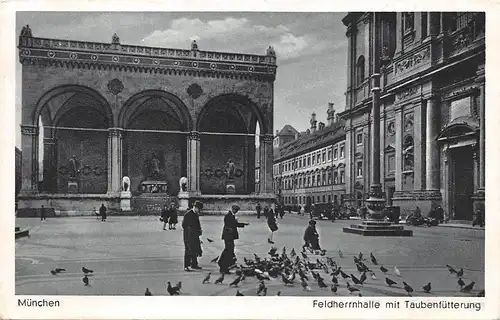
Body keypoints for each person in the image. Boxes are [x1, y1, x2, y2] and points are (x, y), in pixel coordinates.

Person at [219, 205, 248, 274]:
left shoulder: (231, 216)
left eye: (237, 211)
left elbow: (235, 224)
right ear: (232, 209)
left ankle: (225, 266)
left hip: (229, 236)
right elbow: (231, 225)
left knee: (229, 250)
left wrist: (243, 224)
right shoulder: (228, 216)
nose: (236, 211)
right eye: (235, 210)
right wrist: (236, 223)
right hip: (228, 236)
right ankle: (223, 265)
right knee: (229, 250)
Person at [182, 200, 203, 271]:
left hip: (195, 235)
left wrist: (199, 231)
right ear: (195, 207)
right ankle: (186, 266)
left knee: (195, 249)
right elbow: (184, 225)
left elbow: (197, 224)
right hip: (188, 235)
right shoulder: (188, 214)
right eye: (199, 209)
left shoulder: (195, 214)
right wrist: (190, 231)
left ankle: (194, 264)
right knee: (188, 250)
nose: (199, 211)